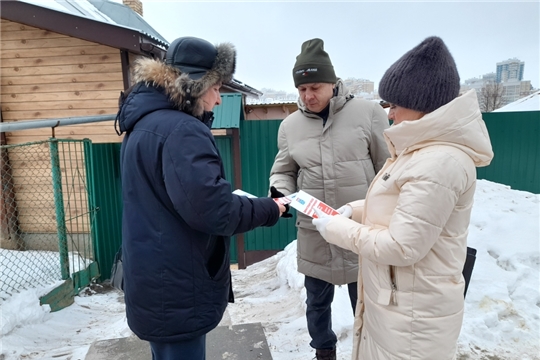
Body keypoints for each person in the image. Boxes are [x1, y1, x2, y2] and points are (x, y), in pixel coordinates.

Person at [312, 36, 494, 359]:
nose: (391, 115)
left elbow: (403, 245)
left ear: (421, 102)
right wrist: (355, 210)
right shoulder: (420, 152)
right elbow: (403, 209)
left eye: (395, 105)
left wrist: (339, 230)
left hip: (414, 323)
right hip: (400, 308)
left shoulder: (440, 162)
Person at [116, 36, 286, 360]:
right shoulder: (182, 130)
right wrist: (269, 209)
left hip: (156, 283)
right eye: (217, 88)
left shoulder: (143, 125)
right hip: (177, 289)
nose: (219, 99)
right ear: (197, 84)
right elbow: (213, 210)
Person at [269, 38, 390, 360]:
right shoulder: (290, 126)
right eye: (302, 89)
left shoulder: (369, 113)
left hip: (361, 230)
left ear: (334, 84)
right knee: (316, 303)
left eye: (316, 87)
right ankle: (324, 352)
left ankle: (369, 352)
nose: (308, 96)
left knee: (366, 300)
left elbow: (388, 168)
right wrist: (280, 191)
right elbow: (283, 171)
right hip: (314, 230)